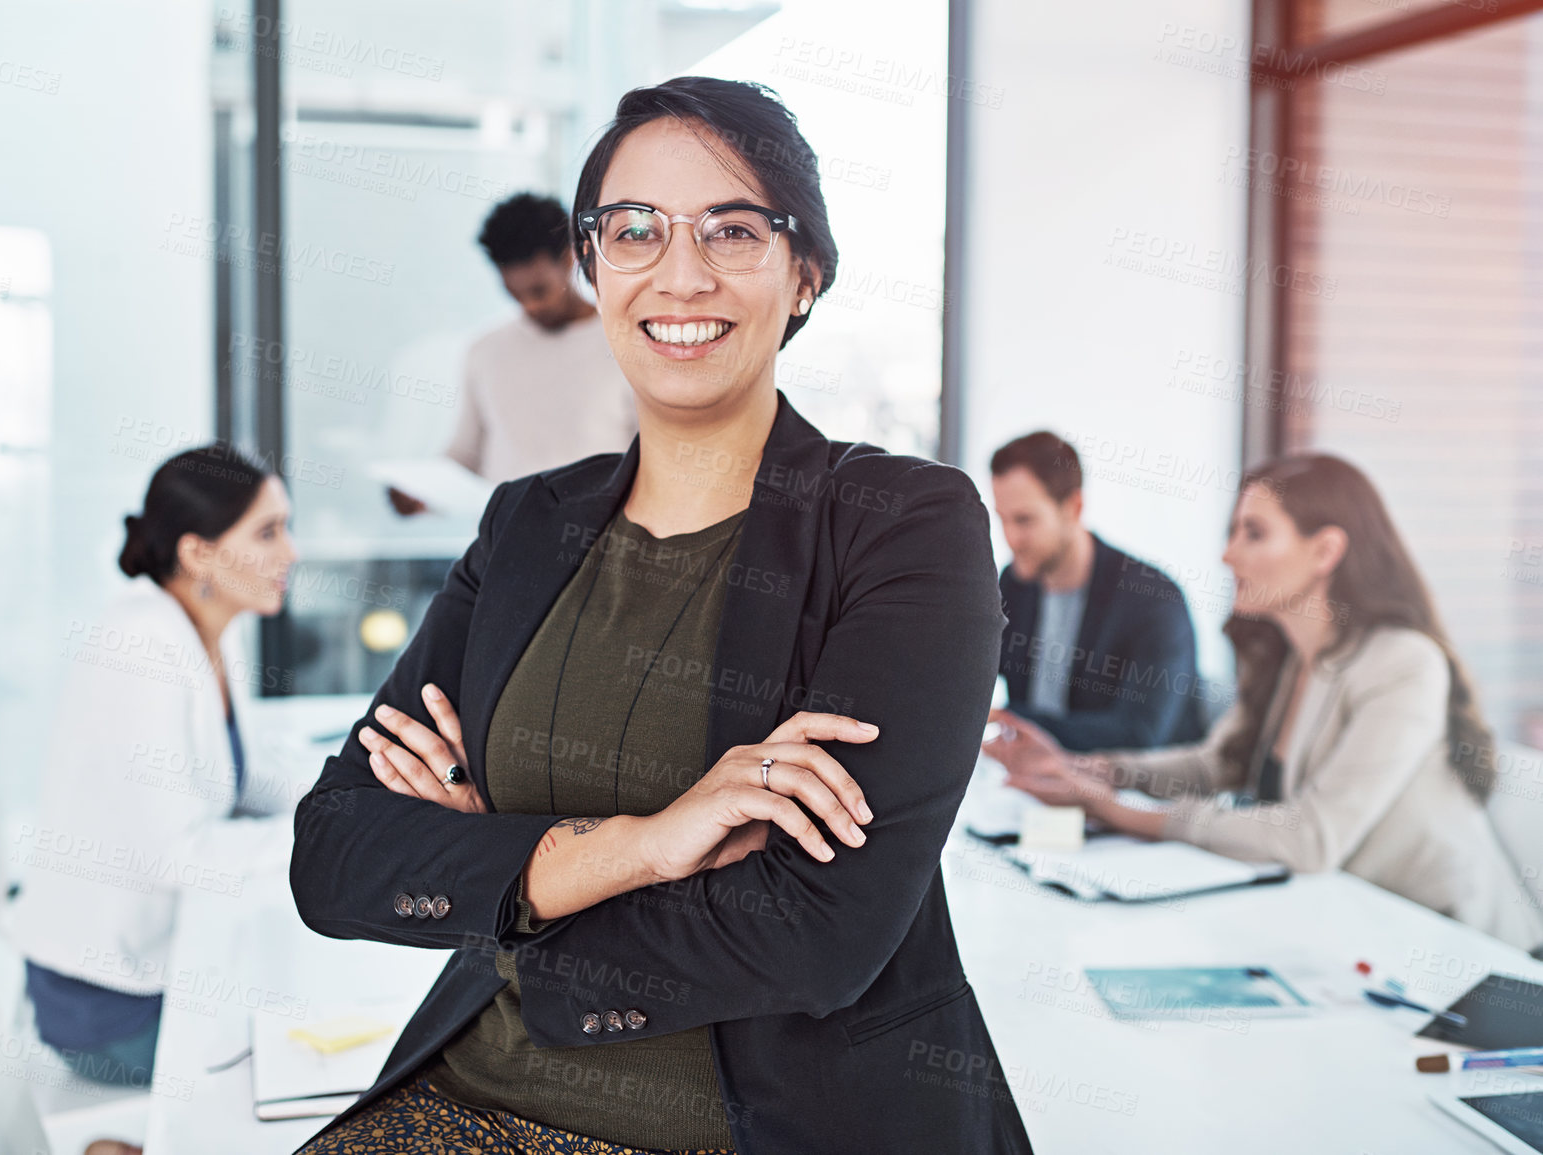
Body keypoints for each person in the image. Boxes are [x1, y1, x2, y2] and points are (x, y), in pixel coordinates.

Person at [292, 77, 1031, 1154]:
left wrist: (502, 886)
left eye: (734, 229)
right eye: (633, 229)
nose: (680, 272)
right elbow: (337, 850)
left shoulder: (903, 525)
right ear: (594, 266)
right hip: (465, 1097)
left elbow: (821, 930)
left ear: (804, 273)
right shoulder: (526, 525)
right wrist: (644, 846)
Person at [986, 454, 1543, 951]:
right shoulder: (1287, 655)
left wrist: (1120, 811)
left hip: (1454, 956)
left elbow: (1309, 838)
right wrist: (1087, 769)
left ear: (1325, 550)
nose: (1228, 555)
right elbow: (1216, 765)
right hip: (1342, 930)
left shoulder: (1403, 664)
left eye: (1254, 533)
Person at [12, 444, 299, 1096]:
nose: (291, 552)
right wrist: (327, 834)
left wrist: (348, 797)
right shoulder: (142, 650)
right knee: (318, 1048)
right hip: (108, 1003)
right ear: (199, 553)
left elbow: (247, 775)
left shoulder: (209, 628)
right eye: (267, 531)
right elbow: (181, 854)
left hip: (160, 964)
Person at [389, 193, 638, 517]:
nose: (529, 306)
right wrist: (420, 492)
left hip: (602, 545)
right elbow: (467, 452)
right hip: (503, 547)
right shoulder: (485, 351)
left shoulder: (627, 345)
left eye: (538, 291)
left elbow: (650, 459)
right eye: (514, 293)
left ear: (570, 258)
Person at [989, 431, 1204, 750]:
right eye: (1002, 519)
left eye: (1025, 520)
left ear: (1073, 507)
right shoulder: (1015, 584)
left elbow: (1140, 734)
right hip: (1031, 785)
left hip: (1131, 791)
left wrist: (1013, 719)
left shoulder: (1153, 599)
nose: (1010, 538)